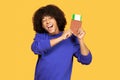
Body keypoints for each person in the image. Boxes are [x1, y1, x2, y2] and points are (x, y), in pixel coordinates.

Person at [31, 4, 92, 80]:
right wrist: (61, 38)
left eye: (50, 18)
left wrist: (80, 40)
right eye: (44, 20)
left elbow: (86, 60)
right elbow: (36, 48)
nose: (47, 21)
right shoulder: (42, 36)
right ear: (42, 25)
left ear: (57, 19)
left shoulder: (71, 38)